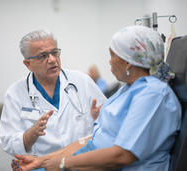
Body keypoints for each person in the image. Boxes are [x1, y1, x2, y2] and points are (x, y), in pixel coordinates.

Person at [12, 25, 181, 171]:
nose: (109, 62)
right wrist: (43, 160)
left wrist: (63, 163)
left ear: (129, 61)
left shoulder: (153, 95)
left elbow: (122, 155)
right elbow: (91, 139)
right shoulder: (130, 88)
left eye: (112, 55)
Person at [0, 30, 107, 158]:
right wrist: (31, 134)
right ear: (28, 64)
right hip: (42, 165)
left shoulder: (82, 81)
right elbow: (8, 143)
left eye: (55, 53)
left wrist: (97, 120)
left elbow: (108, 122)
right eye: (43, 56)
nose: (52, 60)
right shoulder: (15, 93)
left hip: (82, 162)